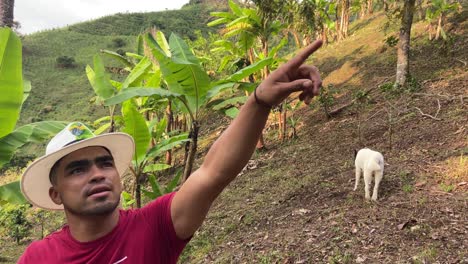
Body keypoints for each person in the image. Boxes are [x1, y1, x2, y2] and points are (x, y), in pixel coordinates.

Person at [18, 40, 323, 263]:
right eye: (77, 169)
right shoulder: (38, 258)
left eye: (104, 163)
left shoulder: (155, 226)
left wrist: (259, 102)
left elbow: (212, 173)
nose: (97, 174)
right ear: (55, 194)